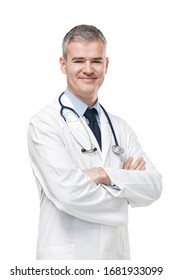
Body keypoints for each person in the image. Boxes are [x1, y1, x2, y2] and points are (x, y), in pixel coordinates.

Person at [27, 24, 162, 260]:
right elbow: (69, 194)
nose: (88, 69)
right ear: (63, 64)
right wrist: (126, 188)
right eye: (79, 60)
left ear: (106, 65)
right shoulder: (44, 124)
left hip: (115, 260)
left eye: (96, 61)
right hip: (66, 261)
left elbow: (153, 185)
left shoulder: (120, 127)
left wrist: (103, 174)